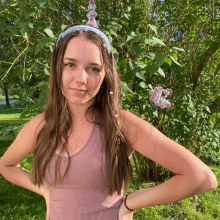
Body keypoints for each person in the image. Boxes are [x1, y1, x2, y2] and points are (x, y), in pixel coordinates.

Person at [0, 3, 218, 220]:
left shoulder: (120, 125)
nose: (81, 79)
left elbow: (201, 177)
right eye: (70, 64)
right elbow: (7, 165)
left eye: (93, 68)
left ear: (106, 75)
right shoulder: (41, 126)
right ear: (57, 67)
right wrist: (46, 190)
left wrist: (130, 203)